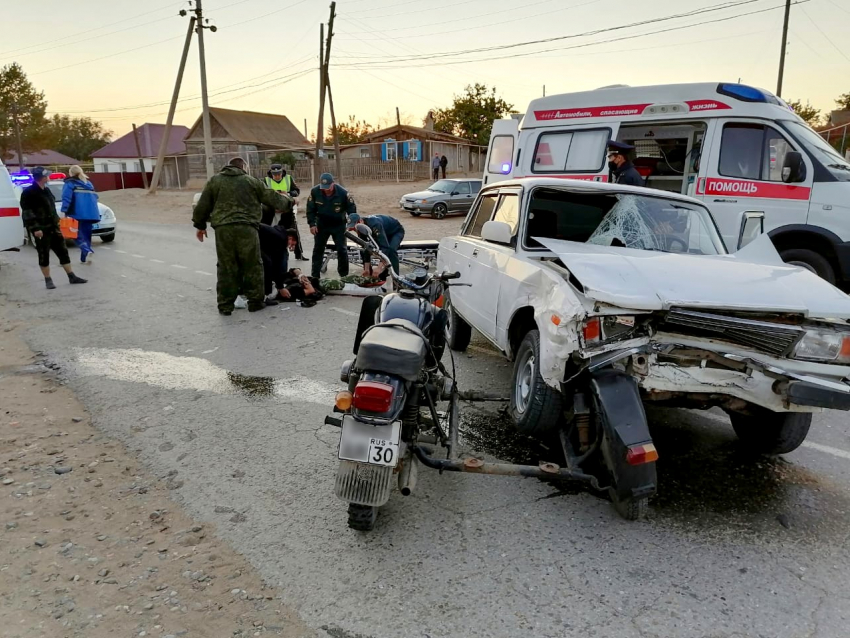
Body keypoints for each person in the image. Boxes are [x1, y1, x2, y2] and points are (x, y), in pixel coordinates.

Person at [192, 157, 292, 315]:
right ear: (243, 167)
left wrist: (200, 225)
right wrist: (289, 202)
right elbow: (271, 197)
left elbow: (203, 204)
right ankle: (255, 302)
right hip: (247, 228)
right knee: (253, 265)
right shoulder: (251, 181)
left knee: (226, 267)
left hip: (223, 230)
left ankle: (225, 306)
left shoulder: (214, 181)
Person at [20, 167, 87, 289]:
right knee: (44, 254)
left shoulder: (46, 190)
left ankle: (71, 276)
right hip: (41, 229)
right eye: (47, 175)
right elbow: (27, 213)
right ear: (42, 177)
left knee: (63, 252)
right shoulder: (29, 193)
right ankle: (48, 279)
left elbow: (52, 208)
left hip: (53, 227)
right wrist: (35, 229)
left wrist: (58, 222)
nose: (49, 177)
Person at [306, 173, 356, 279]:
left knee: (342, 249)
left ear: (333, 184)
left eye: (328, 187)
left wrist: (350, 223)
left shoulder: (343, 193)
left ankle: (344, 275)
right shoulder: (315, 192)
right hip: (322, 224)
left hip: (338, 224)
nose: (326, 190)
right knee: (318, 249)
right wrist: (312, 224)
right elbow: (310, 209)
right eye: (324, 188)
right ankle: (315, 276)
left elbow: (352, 209)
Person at [261, 163, 306, 261]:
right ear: (271, 173)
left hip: (287, 207)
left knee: (293, 229)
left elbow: (296, 191)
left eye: (279, 173)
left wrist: (288, 193)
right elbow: (263, 193)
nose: (277, 176)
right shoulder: (266, 180)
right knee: (270, 229)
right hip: (272, 209)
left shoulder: (288, 178)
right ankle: (270, 252)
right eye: (275, 174)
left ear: (282, 172)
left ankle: (299, 253)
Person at [61, 165, 101, 264]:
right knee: (86, 235)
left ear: (71, 173)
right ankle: (84, 258)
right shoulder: (88, 183)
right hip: (91, 213)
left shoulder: (70, 183)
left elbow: (66, 197)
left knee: (75, 234)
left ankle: (86, 250)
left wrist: (64, 210)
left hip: (77, 212)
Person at [347, 212, 405, 277]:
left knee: (391, 250)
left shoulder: (375, 225)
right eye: (353, 229)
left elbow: (385, 247)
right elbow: (366, 248)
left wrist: (379, 268)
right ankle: (375, 275)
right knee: (366, 250)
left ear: (360, 221)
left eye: (355, 228)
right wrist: (366, 269)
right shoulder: (361, 228)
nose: (355, 230)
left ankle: (395, 278)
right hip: (383, 232)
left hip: (395, 231)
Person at [257, 223, 291, 305]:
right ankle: (264, 297)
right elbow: (276, 265)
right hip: (250, 236)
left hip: (247, 234)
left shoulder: (276, 234)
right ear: (290, 238)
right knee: (267, 264)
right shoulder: (281, 239)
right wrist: (281, 287)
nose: (290, 247)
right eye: (292, 244)